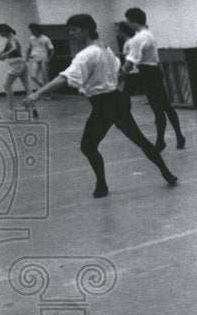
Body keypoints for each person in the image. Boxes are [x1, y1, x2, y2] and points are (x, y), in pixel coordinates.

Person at [21, 14, 177, 198]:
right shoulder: (105, 47)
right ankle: (166, 173)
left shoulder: (87, 53)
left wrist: (38, 93)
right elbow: (119, 69)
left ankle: (102, 184)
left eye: (75, 30)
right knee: (139, 140)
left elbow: (64, 78)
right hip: (115, 100)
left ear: (86, 29)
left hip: (104, 104)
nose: (72, 34)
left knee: (88, 147)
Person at [122, 7, 186, 151]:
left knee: (158, 109)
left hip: (147, 74)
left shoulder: (137, 39)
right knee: (166, 107)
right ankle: (178, 136)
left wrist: (120, 74)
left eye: (128, 21)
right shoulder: (149, 34)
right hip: (154, 71)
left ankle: (160, 141)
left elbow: (131, 61)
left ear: (132, 21)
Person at [0, 24, 33, 117]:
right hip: (22, 64)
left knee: (7, 86)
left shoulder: (12, 39)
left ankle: (11, 110)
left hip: (17, 65)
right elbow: (1, 53)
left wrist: (5, 55)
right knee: (27, 87)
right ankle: (33, 108)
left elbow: (14, 48)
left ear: (3, 31)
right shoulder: (9, 41)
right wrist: (0, 55)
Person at [26, 23, 55, 97]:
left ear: (37, 29)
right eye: (31, 30)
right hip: (36, 59)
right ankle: (44, 88)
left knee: (46, 77)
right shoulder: (31, 38)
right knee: (33, 76)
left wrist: (48, 59)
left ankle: (50, 94)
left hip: (44, 59)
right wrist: (27, 56)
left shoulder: (45, 38)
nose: (32, 31)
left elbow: (52, 50)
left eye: (33, 29)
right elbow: (29, 48)